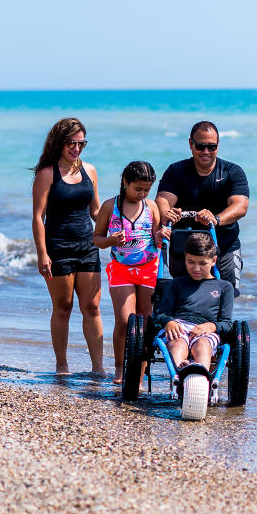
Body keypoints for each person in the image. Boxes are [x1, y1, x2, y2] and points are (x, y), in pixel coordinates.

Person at [31, 118, 105, 376]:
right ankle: (61, 364)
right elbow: (38, 217)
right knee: (63, 307)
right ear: (59, 143)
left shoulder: (90, 171)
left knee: (92, 307)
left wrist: (114, 231)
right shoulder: (47, 173)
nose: (76, 148)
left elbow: (95, 211)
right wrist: (42, 254)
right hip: (58, 246)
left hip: (87, 245)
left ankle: (99, 367)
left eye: (81, 143)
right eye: (71, 143)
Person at [92, 161, 168, 384]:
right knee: (125, 322)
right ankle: (119, 368)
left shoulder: (151, 206)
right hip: (121, 270)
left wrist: (161, 234)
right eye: (138, 189)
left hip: (149, 269)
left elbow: (156, 236)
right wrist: (111, 240)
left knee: (144, 324)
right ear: (125, 182)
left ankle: (140, 374)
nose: (142, 194)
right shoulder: (110, 206)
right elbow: (97, 239)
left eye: (147, 190)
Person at [156, 121, 249, 296]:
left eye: (211, 147)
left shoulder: (233, 172)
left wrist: (216, 219)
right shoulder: (176, 171)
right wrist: (166, 212)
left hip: (224, 247)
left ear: (218, 145)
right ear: (191, 144)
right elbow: (163, 199)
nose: (206, 152)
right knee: (184, 300)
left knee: (224, 299)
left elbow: (240, 206)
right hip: (184, 249)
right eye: (200, 146)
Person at [153, 232, 234, 372]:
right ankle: (180, 372)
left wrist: (211, 326)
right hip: (178, 326)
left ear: (213, 261)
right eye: (191, 262)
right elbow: (161, 314)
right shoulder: (177, 284)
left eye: (202, 263)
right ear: (185, 258)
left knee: (202, 345)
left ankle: (200, 373)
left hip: (207, 331)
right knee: (178, 343)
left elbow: (227, 323)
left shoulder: (224, 287)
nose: (196, 268)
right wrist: (169, 322)